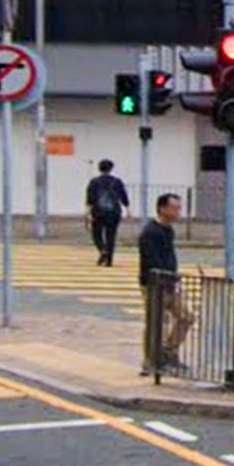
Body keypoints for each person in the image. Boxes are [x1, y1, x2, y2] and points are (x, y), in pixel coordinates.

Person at [137, 192, 192, 378]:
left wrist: (173, 279)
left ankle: (168, 352)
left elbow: (170, 257)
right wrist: (159, 280)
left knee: (186, 316)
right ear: (162, 209)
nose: (178, 212)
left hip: (170, 282)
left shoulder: (169, 230)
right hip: (154, 284)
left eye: (178, 208)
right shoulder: (150, 232)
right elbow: (150, 262)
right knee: (156, 323)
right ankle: (151, 361)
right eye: (174, 208)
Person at [82, 158, 131, 269]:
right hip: (114, 212)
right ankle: (109, 260)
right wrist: (128, 209)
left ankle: (103, 250)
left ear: (99, 168)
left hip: (98, 212)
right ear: (111, 168)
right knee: (111, 236)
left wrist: (87, 212)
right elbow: (123, 196)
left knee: (96, 234)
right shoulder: (117, 182)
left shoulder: (94, 182)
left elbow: (90, 198)